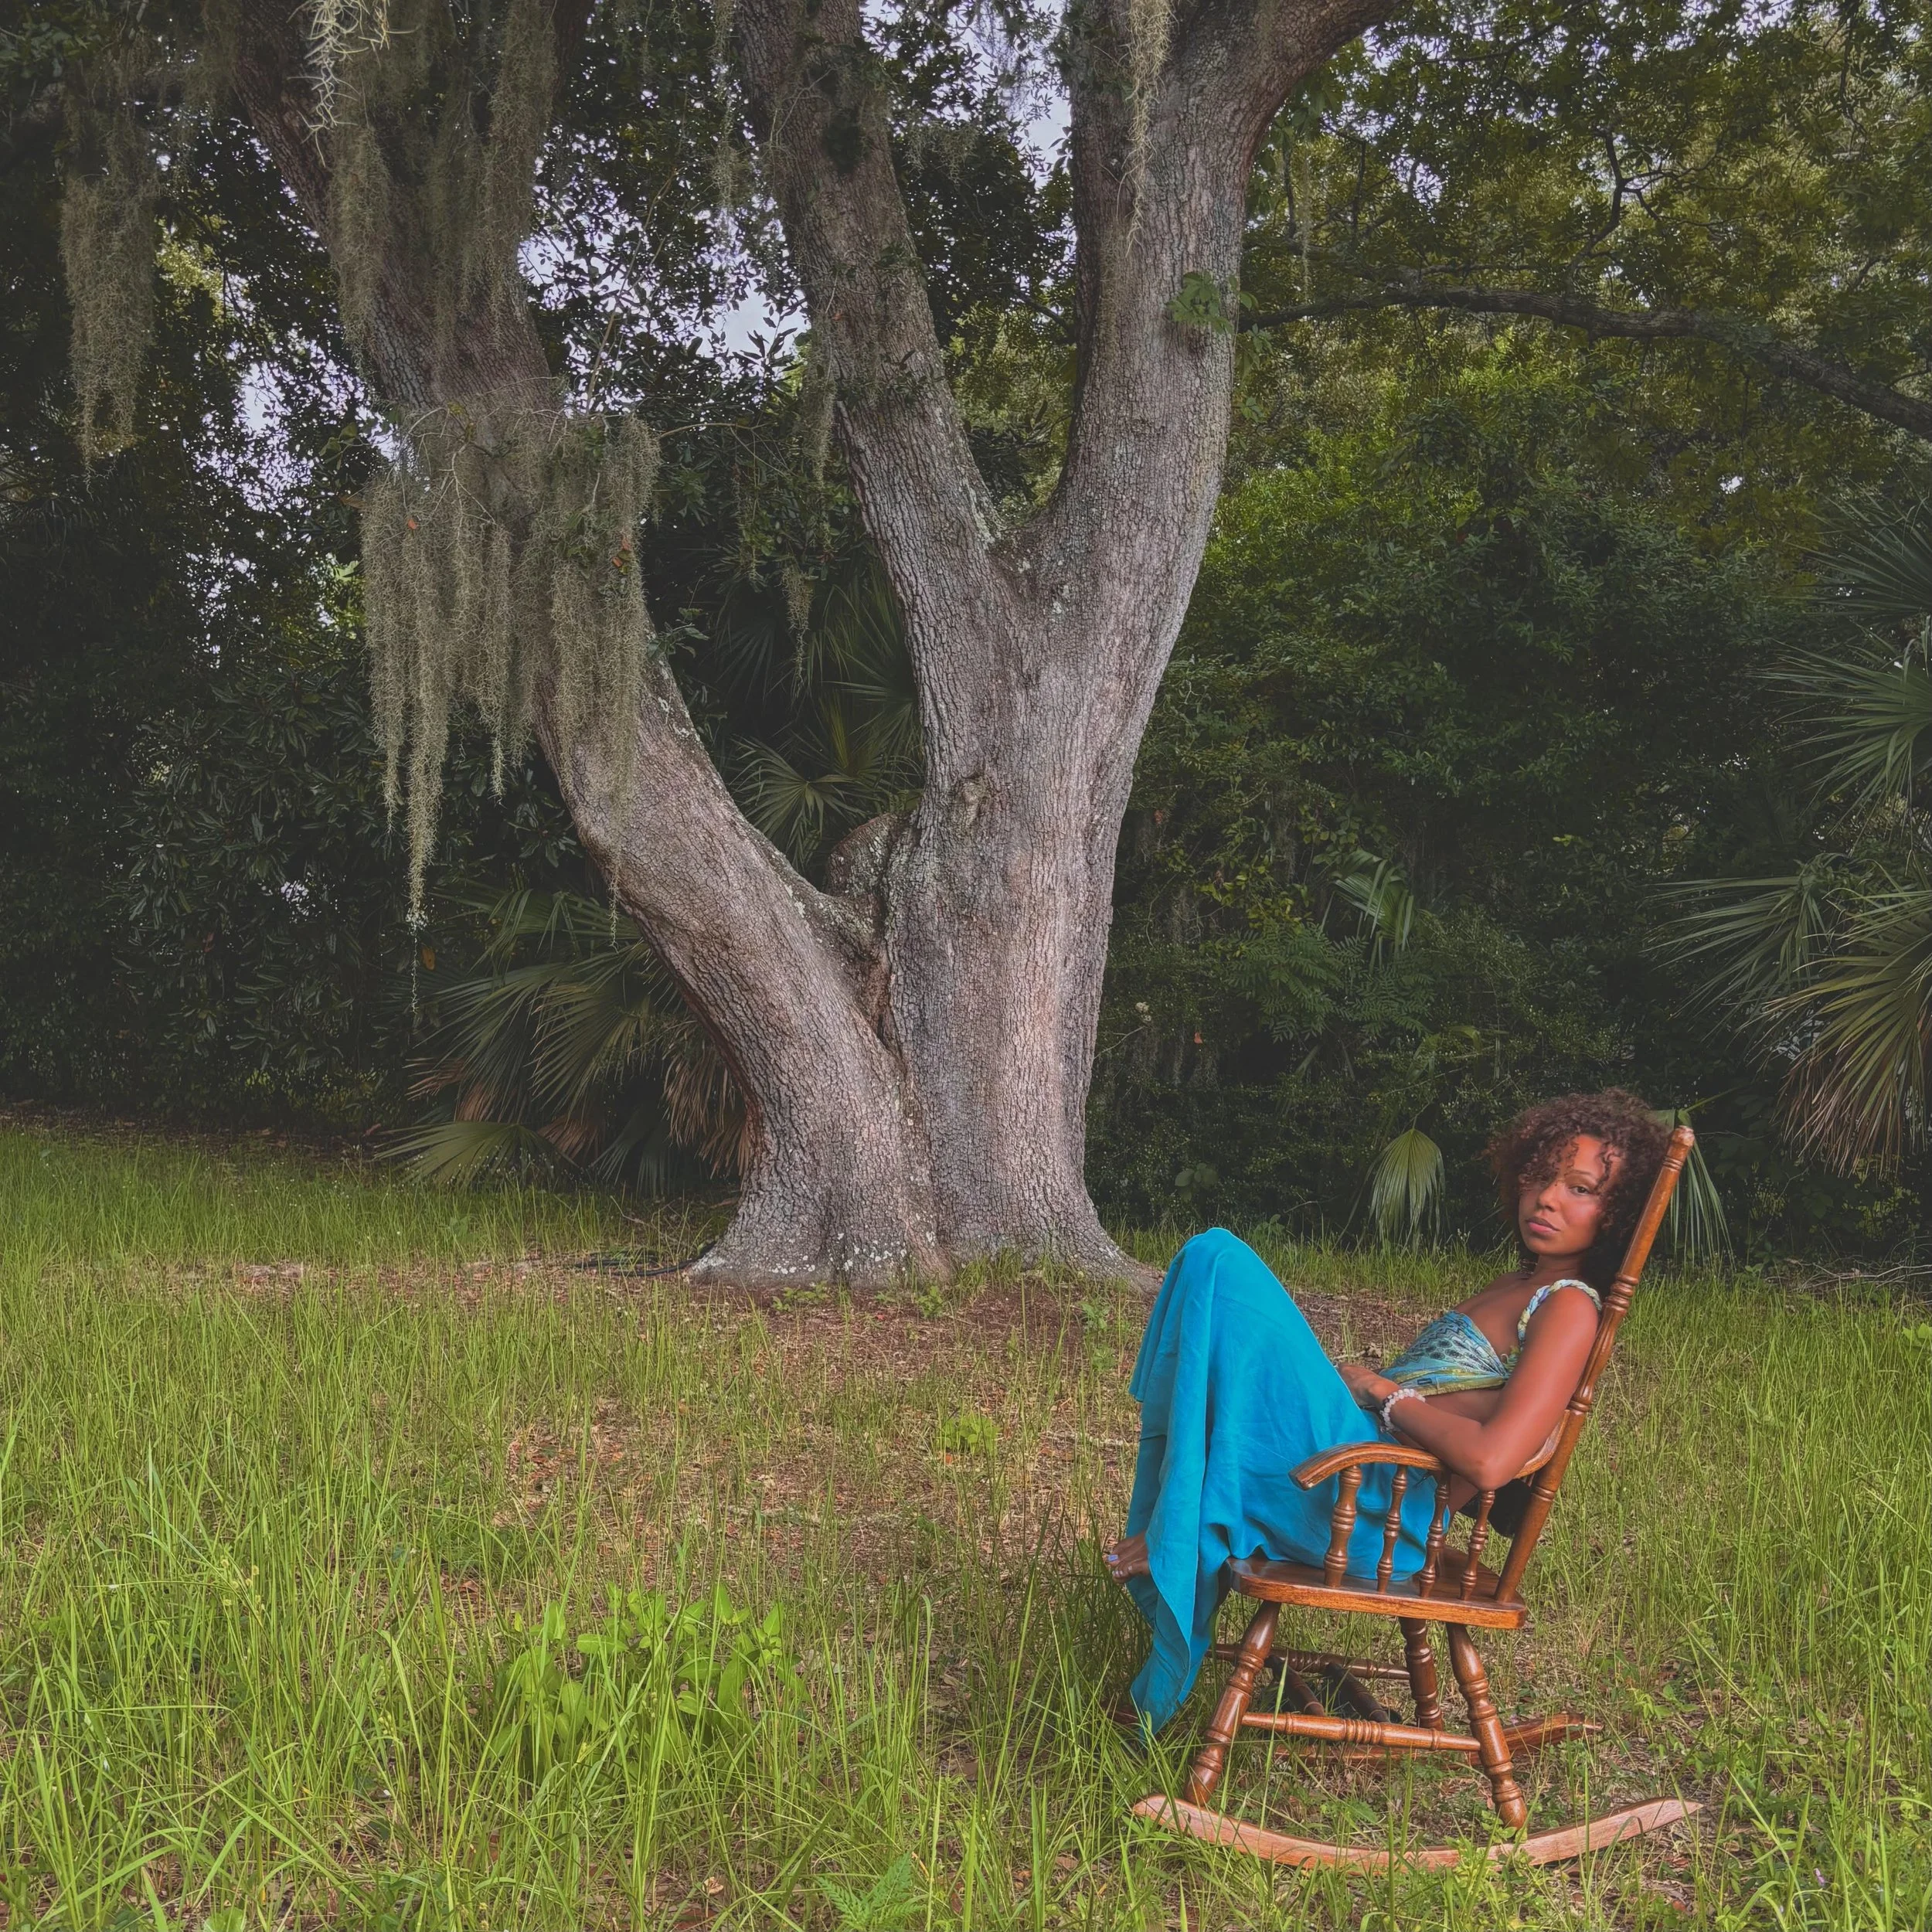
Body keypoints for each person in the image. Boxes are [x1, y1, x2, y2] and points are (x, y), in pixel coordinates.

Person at [1102, 1090, 1671, 1732]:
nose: (1547, 1198)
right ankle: (1178, 1522)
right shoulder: (1518, 1285)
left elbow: (1492, 1460)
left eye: (1581, 1189)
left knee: (1221, 1260)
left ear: (1617, 1215)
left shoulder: (1568, 1307)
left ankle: (1178, 1525)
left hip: (1378, 1517)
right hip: (1354, 1479)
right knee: (1212, 1271)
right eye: (1541, 1176)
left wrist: (1384, 1394)